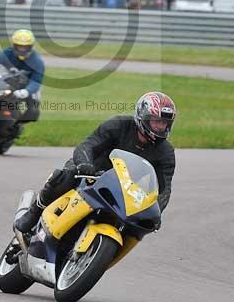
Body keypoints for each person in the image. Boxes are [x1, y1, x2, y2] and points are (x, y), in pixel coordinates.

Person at [14, 91, 176, 235]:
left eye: (164, 123)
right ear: (143, 116)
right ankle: (35, 212)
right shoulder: (119, 125)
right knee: (65, 176)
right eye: (156, 121)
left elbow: (163, 189)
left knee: (135, 226)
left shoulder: (166, 152)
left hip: (124, 190)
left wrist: (156, 212)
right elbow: (87, 145)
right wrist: (85, 164)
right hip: (91, 172)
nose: (160, 127)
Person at [0, 29, 44, 127]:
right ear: (14, 45)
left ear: (31, 46)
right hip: (6, 82)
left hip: (26, 86)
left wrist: (26, 91)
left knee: (33, 112)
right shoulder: (6, 53)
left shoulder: (37, 61)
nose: (22, 50)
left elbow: (36, 81)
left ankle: (17, 126)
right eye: (19, 46)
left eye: (25, 47)